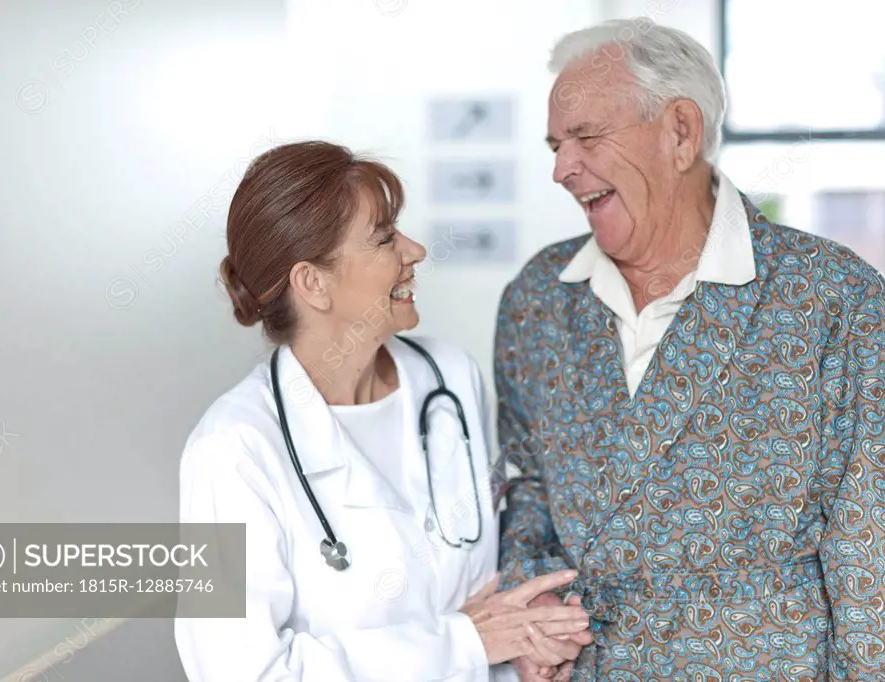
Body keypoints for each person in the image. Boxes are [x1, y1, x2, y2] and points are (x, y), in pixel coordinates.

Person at [493, 17, 885, 681]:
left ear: (681, 131)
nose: (563, 168)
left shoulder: (829, 295)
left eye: (586, 137)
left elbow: (880, 551)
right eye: (556, 145)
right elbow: (526, 483)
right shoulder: (539, 296)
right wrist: (535, 608)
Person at [173, 140, 592, 681]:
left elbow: (484, 584)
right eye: (385, 238)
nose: (414, 251)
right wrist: (462, 643)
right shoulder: (231, 451)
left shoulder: (451, 378)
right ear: (313, 283)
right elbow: (242, 673)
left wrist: (524, 640)